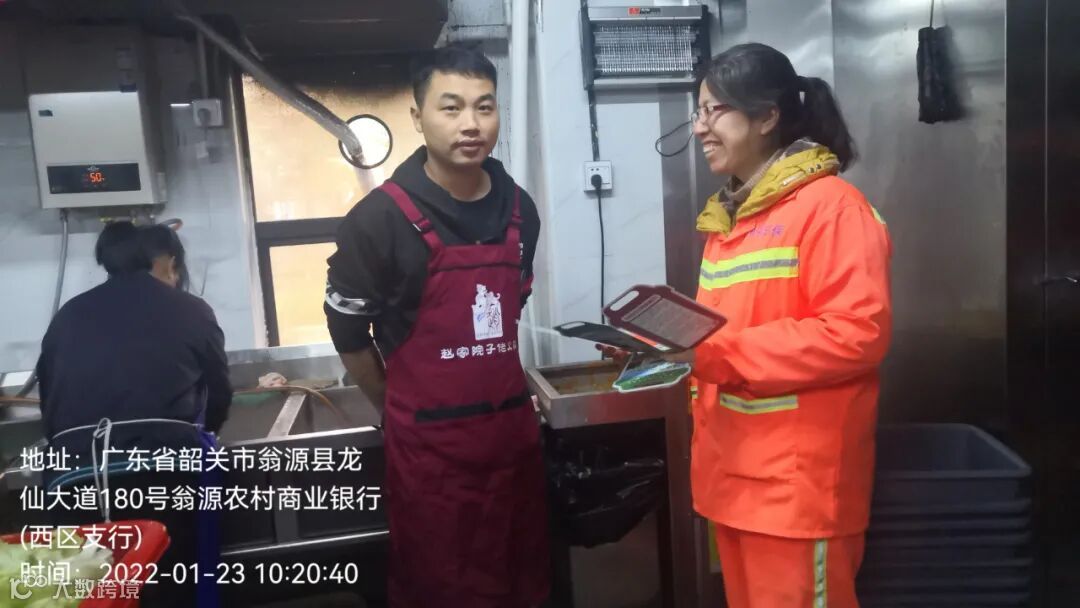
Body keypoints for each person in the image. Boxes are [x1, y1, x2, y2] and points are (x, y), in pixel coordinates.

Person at [324, 45, 548, 607]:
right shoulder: (378, 220)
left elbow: (511, 310)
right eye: (451, 108)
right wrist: (396, 409)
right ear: (417, 117)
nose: (471, 124)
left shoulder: (520, 209)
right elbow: (349, 335)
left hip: (512, 447)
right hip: (430, 461)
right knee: (441, 586)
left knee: (522, 581)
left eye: (484, 107)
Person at [678, 43, 892, 608]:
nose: (700, 127)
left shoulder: (832, 207)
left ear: (768, 117)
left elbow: (856, 333)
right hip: (733, 479)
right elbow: (720, 338)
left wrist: (714, 354)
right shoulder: (729, 221)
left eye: (715, 110)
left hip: (795, 491)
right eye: (698, 112)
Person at [36, 221, 231, 607]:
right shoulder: (190, 310)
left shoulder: (67, 316)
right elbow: (219, 395)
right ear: (168, 262)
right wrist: (202, 431)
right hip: (160, 473)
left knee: (91, 595)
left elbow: (50, 407)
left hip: (72, 479)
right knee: (171, 588)